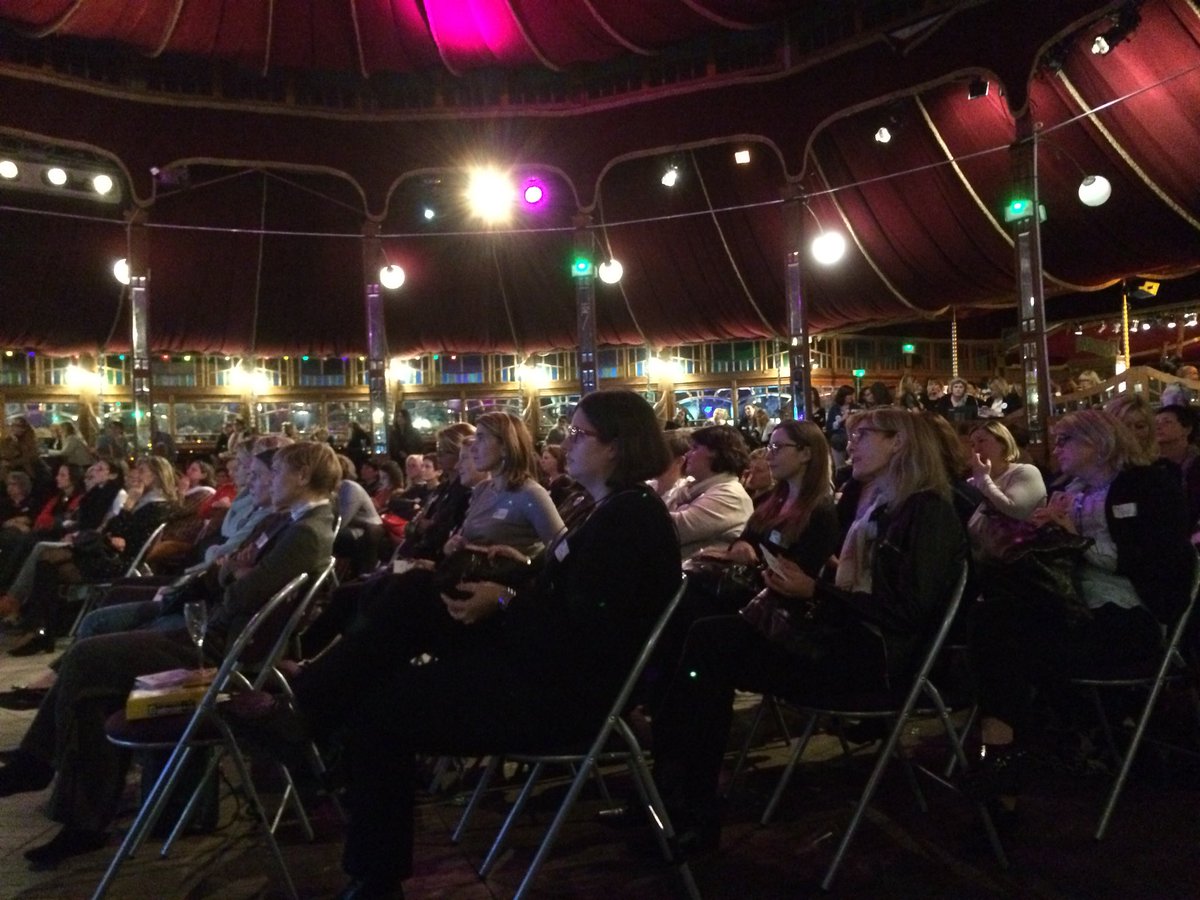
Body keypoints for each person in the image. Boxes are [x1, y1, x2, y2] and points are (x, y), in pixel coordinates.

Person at [228, 389, 680, 898]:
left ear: (617, 446)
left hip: (562, 692)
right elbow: (568, 594)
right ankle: (311, 712)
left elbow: (590, 625)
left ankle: (364, 851)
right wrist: (518, 573)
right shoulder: (600, 507)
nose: (566, 443)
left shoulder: (631, 518)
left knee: (379, 707)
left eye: (579, 435)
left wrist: (505, 600)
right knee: (415, 593)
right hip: (534, 659)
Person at [0, 441, 337, 868]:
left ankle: (40, 768)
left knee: (87, 657)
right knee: (95, 686)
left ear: (303, 476)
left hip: (219, 649)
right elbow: (227, 573)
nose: (265, 481)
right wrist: (232, 570)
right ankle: (79, 818)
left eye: (276, 473)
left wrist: (231, 572)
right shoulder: (286, 521)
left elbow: (238, 597)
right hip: (212, 631)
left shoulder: (306, 532)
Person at [652, 408, 967, 850]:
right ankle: (676, 794)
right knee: (702, 635)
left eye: (863, 434)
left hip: (874, 663)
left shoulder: (928, 511)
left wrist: (814, 590)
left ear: (899, 443)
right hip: (845, 640)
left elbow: (907, 611)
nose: (849, 442)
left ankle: (683, 800)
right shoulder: (880, 503)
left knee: (709, 641)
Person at [968, 410, 1193, 821]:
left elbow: (1159, 563)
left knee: (1003, 640)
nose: (1057, 449)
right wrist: (1045, 532)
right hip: (1070, 606)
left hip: (1128, 616)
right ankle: (1004, 752)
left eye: (1066, 440)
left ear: (1098, 442)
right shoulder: (1066, 489)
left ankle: (1003, 754)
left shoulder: (1146, 486)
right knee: (990, 619)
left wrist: (1074, 538)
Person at [665, 426, 753, 558]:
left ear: (716, 452)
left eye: (695, 448)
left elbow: (675, 529)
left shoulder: (731, 494)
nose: (688, 454)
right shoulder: (690, 488)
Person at [965, 421, 1047, 560]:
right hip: (988, 562)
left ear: (1003, 443)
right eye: (972, 444)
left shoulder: (1025, 471)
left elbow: (1015, 509)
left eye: (981, 441)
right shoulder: (978, 480)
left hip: (1022, 561)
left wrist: (984, 479)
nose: (976, 449)